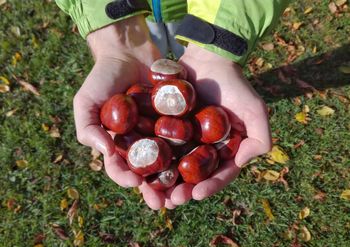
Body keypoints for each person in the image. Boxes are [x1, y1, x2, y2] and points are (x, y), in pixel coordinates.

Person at [55, 0, 290, 210]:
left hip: (201, 11)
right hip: (137, 12)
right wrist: (114, 29)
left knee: (183, 49)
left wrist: (221, 38)